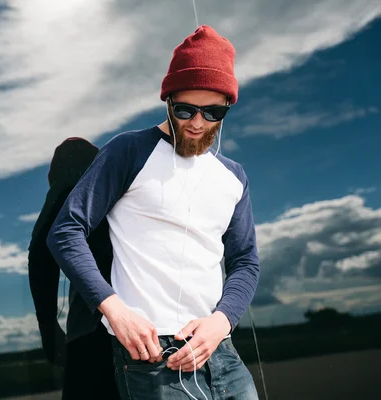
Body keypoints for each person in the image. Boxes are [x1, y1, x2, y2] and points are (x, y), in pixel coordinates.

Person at [47, 25, 260, 400]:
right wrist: (114, 311)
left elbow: (245, 262)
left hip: (221, 352)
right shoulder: (128, 151)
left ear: (228, 106)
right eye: (185, 109)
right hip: (152, 361)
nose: (197, 123)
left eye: (212, 112)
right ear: (168, 100)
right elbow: (65, 231)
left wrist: (222, 321)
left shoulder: (234, 177)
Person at [28, 137, 120, 400]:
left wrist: (47, 326)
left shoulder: (71, 185)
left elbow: (41, 249)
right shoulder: (117, 196)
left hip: (93, 337)